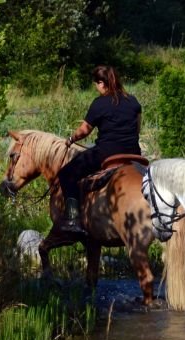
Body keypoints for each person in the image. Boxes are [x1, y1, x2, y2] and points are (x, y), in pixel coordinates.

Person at [58, 65, 142, 234]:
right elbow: (137, 129)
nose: (97, 88)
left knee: (66, 173)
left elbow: (84, 130)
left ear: (102, 83)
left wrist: (71, 139)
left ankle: (73, 219)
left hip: (107, 153)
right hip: (134, 154)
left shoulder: (99, 103)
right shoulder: (133, 101)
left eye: (96, 84)